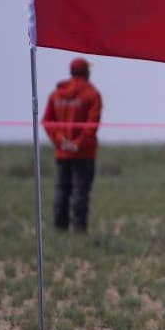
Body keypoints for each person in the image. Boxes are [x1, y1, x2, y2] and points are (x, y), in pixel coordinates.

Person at [43, 57, 103, 232]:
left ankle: (60, 228)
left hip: (62, 153)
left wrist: (60, 141)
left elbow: (47, 121)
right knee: (80, 191)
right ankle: (79, 228)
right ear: (85, 72)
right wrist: (77, 144)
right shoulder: (92, 94)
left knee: (62, 189)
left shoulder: (56, 94)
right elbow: (93, 124)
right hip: (84, 153)